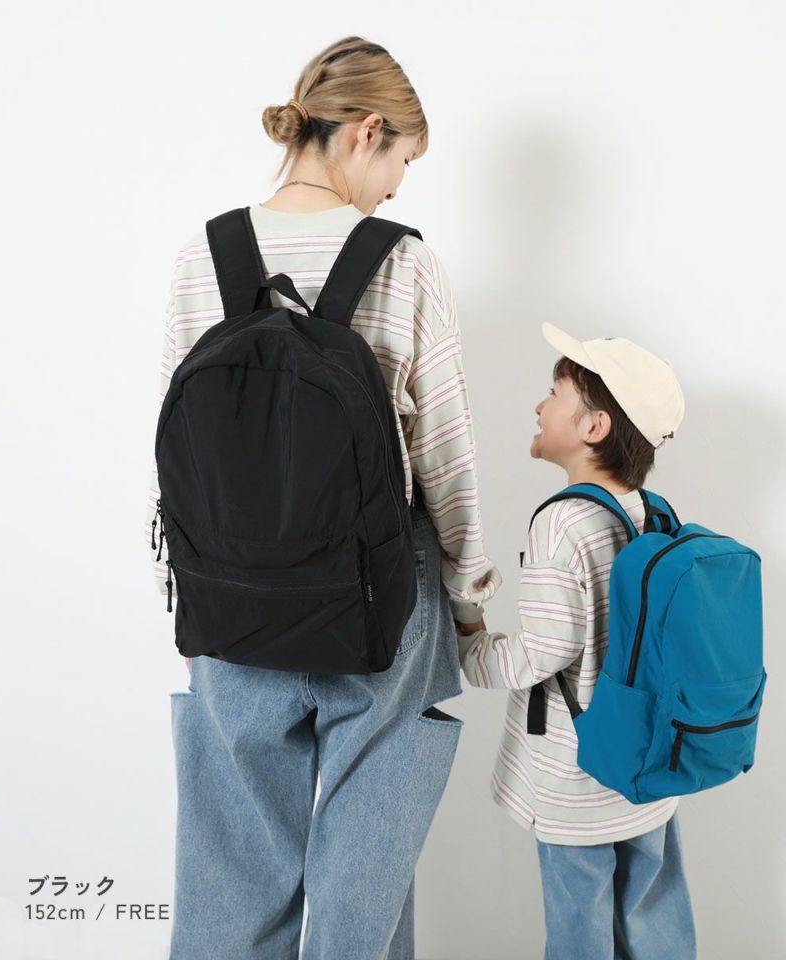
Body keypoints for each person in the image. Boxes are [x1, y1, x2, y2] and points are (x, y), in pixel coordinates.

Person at [145, 35, 502, 960]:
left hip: (230, 594)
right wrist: (467, 599)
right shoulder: (403, 262)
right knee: (364, 882)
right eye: (402, 162)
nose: (397, 190)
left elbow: (174, 451)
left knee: (230, 863)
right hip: (378, 596)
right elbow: (446, 454)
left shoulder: (202, 254)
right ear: (367, 131)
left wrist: (190, 589)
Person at [456, 322, 697, 959]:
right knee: (653, 914)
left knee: (579, 927)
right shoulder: (652, 512)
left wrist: (471, 646)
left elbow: (543, 652)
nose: (539, 405)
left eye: (554, 392)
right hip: (649, 765)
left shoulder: (563, 523)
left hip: (581, 774)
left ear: (594, 426)